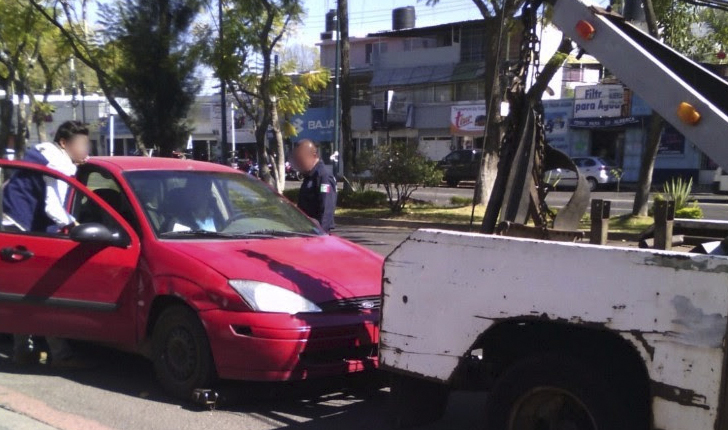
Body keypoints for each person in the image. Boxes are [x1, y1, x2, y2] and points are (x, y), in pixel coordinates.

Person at [4, 121, 91, 367]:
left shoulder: (44, 152)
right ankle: (61, 355)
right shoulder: (57, 165)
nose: (85, 150)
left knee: (25, 295)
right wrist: (74, 225)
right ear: (64, 143)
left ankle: (23, 350)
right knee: (46, 294)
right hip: (25, 230)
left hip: (11, 226)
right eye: (81, 144)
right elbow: (52, 207)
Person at [292, 139, 337, 232]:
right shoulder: (309, 175)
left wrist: (320, 233)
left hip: (317, 232)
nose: (298, 164)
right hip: (306, 230)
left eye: (300, 159)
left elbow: (326, 208)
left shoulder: (323, 176)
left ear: (313, 156)